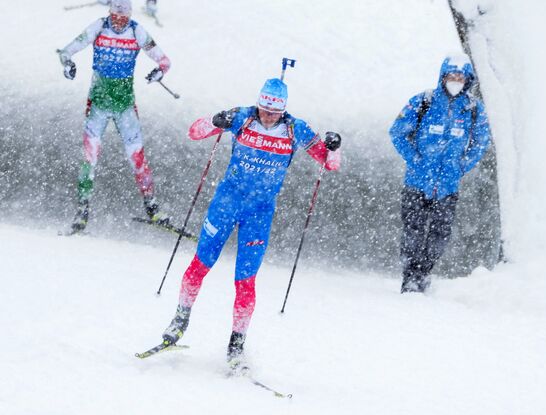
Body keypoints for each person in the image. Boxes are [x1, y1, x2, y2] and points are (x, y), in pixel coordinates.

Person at [162, 78, 342, 369]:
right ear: (258, 104)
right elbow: (195, 132)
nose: (268, 116)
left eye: (274, 112)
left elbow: (330, 163)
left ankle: (236, 345)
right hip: (226, 203)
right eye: (264, 110)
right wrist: (214, 121)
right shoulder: (242, 117)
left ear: (283, 110)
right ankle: (179, 319)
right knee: (201, 263)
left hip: (259, 213)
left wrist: (333, 147)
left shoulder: (296, 128)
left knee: (245, 281)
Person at [58, 0, 171, 233]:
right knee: (89, 159)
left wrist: (159, 72)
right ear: (110, 12)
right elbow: (66, 50)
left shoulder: (137, 30)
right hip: (98, 105)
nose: (120, 21)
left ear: (130, 15)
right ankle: (82, 210)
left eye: (124, 16)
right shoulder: (99, 26)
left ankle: (152, 206)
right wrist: (68, 63)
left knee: (137, 158)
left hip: (124, 106)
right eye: (116, 15)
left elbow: (164, 60)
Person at [390, 54, 491, 293]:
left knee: (439, 235)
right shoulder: (422, 101)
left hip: (448, 187)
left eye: (460, 77)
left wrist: (462, 166)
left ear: (467, 80)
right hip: (416, 182)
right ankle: (410, 277)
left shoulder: (473, 109)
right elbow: (397, 132)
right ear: (442, 76)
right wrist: (415, 159)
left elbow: (480, 142)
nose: (455, 80)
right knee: (412, 232)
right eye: (451, 76)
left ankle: (424, 273)